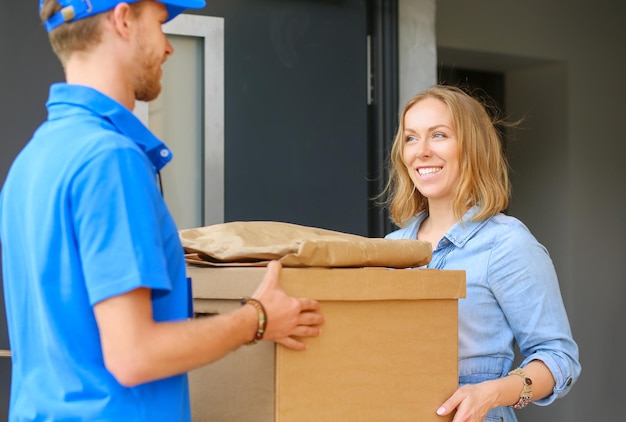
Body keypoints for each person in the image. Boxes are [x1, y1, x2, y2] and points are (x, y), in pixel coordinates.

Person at [0, 0, 323, 420]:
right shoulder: (109, 160)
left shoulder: (32, 160)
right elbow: (134, 355)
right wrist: (257, 319)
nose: (168, 46)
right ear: (122, 19)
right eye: (160, 23)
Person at [383, 85, 580, 421]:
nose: (422, 151)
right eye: (411, 138)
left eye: (439, 135)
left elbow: (559, 357)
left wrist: (490, 393)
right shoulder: (390, 249)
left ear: (472, 147)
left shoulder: (506, 244)